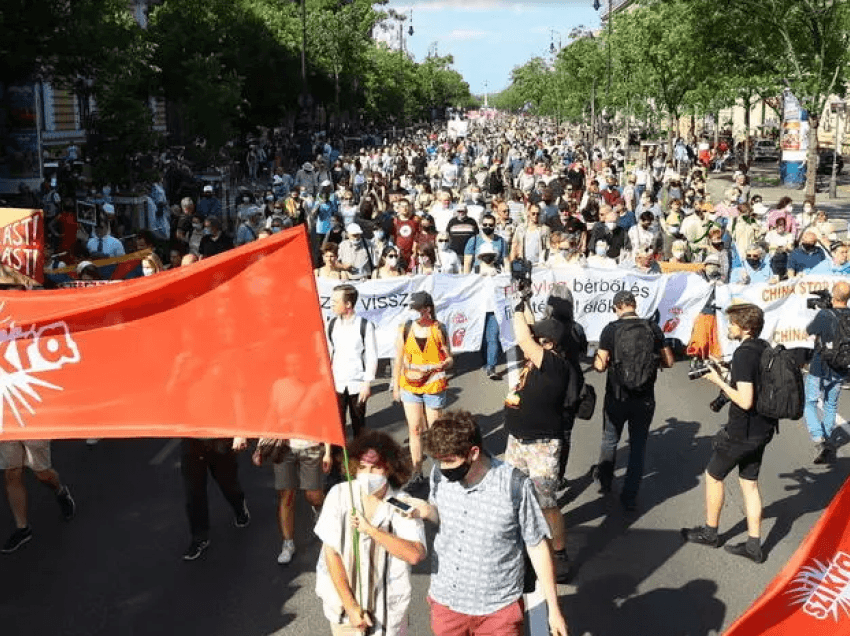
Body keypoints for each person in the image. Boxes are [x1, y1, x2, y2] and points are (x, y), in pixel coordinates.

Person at [415, 411, 569, 636]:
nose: (443, 467)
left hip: (497, 612)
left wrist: (553, 610)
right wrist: (426, 511)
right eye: (439, 460)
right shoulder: (439, 476)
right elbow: (445, 519)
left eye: (449, 460)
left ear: (473, 453)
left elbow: (537, 546)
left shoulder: (514, 485)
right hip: (447, 604)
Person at [682, 303, 776, 564]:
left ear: (745, 327)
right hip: (763, 428)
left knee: (713, 475)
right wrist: (723, 370)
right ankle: (754, 545)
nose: (728, 328)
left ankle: (710, 533)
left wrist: (718, 381)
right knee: (750, 484)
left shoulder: (745, 354)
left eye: (732, 324)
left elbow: (745, 400)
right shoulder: (763, 347)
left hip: (742, 431)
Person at [314, 431, 426, 636]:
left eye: (375, 467)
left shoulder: (402, 503)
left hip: (388, 615)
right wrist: (351, 607)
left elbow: (415, 554)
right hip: (343, 611)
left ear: (389, 468)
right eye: (363, 467)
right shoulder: (339, 495)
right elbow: (331, 554)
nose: (368, 474)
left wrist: (372, 531)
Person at [504, 300, 573, 582]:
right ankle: (520, 543)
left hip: (541, 445)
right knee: (512, 495)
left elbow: (522, 337)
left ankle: (559, 552)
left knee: (546, 502)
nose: (533, 340)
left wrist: (515, 309)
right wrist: (525, 299)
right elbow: (528, 334)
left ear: (550, 344)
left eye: (540, 339)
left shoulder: (555, 365)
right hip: (518, 441)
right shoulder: (540, 358)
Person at [592, 291, 673, 510]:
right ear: (634, 305)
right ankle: (629, 497)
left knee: (610, 440)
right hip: (645, 399)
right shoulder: (652, 328)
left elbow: (599, 366)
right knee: (638, 447)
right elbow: (669, 361)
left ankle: (605, 482)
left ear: (617, 307)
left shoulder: (610, 330)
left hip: (617, 397)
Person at [392, 291, 453, 494]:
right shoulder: (406, 328)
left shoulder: (439, 329)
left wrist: (445, 363)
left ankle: (440, 472)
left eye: (419, 309)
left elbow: (450, 357)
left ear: (427, 309)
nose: (416, 313)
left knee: (435, 431)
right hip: (410, 385)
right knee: (415, 429)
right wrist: (396, 386)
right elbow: (398, 358)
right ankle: (417, 473)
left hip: (433, 387)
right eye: (413, 310)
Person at [180, 436, 250, 561]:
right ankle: (199, 537)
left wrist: (240, 433)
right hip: (192, 441)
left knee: (228, 484)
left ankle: (239, 505)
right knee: (193, 492)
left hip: (220, 440)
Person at [803, 281, 850, 464]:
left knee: (811, 402)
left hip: (820, 365)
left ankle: (819, 437)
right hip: (841, 367)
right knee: (831, 405)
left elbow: (809, 331)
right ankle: (828, 439)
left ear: (833, 296)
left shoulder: (824, 314)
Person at [0, 441, 76, 553]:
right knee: (12, 472)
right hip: (8, 427)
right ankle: (23, 528)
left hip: (32, 429)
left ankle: (60, 491)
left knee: (42, 473)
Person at [328, 284, 378, 441]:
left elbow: (371, 356)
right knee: (337, 427)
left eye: (336, 301)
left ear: (348, 304)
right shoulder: (331, 324)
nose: (332, 304)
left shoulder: (364, 325)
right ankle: (337, 462)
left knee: (359, 427)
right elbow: (329, 352)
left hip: (357, 385)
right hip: (336, 384)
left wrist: (367, 382)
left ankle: (358, 459)